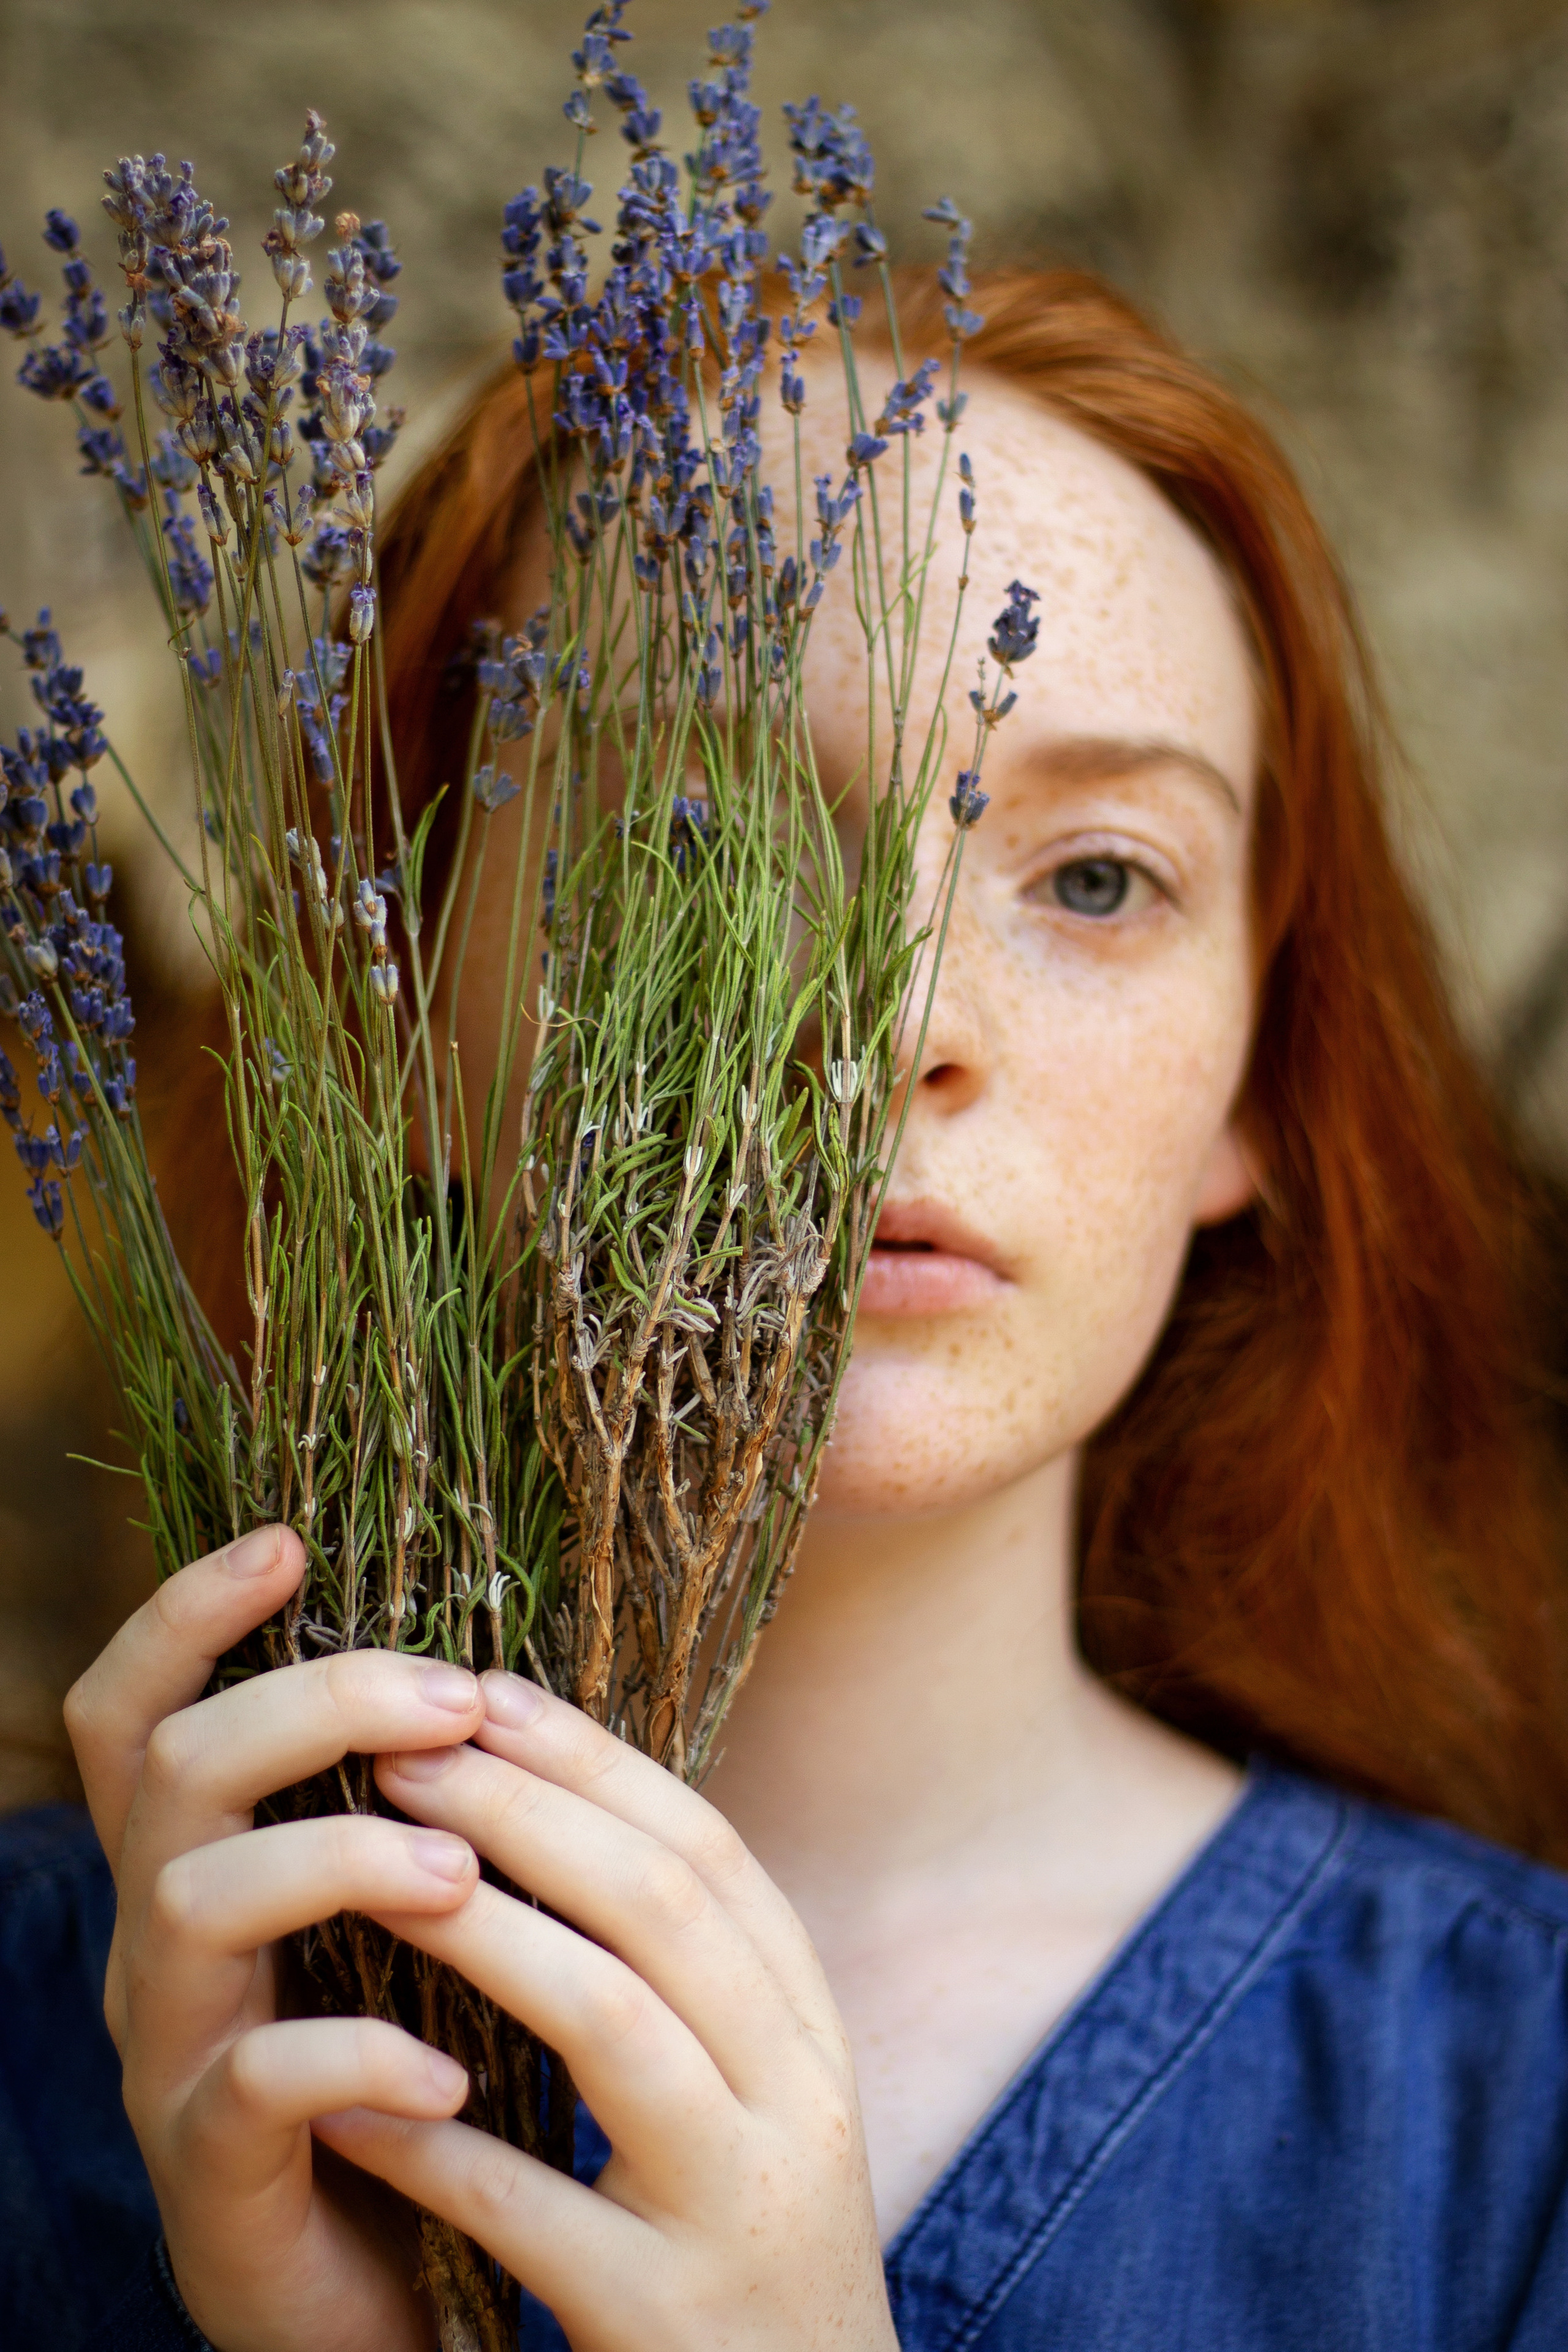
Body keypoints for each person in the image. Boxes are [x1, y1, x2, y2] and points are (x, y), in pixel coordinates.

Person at [5, 266, 1568, 2350]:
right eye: (701, 841)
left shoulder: (1517, 2126)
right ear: (394, 1005)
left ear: (1258, 1082)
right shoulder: (43, 2044)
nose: (897, 1020)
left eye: (1098, 879)